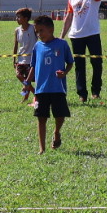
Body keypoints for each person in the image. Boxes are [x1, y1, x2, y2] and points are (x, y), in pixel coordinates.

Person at [30, 14, 73, 153]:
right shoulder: (37, 46)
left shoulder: (62, 44)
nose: (38, 34)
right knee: (41, 118)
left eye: (41, 30)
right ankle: (41, 148)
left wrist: (64, 72)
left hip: (57, 87)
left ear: (51, 29)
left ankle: (56, 132)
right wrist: (27, 83)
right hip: (41, 89)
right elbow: (33, 65)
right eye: (36, 31)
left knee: (59, 115)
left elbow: (70, 63)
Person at [61, 0, 104, 102]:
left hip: (92, 34)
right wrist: (61, 36)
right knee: (79, 66)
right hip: (76, 36)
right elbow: (69, 17)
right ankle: (82, 94)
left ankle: (95, 91)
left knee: (97, 63)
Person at [11, 6, 37, 105]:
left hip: (31, 59)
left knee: (27, 80)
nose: (16, 19)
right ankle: (35, 93)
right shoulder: (17, 30)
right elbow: (16, 45)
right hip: (21, 58)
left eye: (19, 17)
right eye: (16, 17)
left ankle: (26, 98)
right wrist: (14, 59)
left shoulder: (33, 28)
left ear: (26, 18)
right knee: (19, 76)